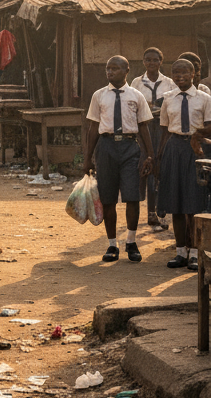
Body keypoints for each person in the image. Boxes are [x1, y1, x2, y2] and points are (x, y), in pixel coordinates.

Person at [83, 56, 155, 262]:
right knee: (108, 198)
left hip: (130, 147)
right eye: (108, 68)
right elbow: (93, 127)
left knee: (132, 196)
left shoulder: (136, 95)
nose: (110, 72)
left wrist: (149, 155)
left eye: (115, 68)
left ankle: (131, 242)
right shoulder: (98, 96)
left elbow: (143, 126)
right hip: (106, 147)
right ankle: (112, 244)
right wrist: (88, 157)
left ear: (127, 71)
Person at [157, 58, 211, 272]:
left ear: (193, 75)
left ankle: (197, 254)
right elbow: (164, 129)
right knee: (176, 203)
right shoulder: (168, 99)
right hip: (174, 149)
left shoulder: (205, 99)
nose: (179, 76)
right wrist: (159, 158)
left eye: (184, 73)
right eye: (175, 73)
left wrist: (196, 136)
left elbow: (209, 127)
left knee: (195, 203)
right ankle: (181, 252)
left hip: (196, 150)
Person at [130, 47, 173, 230]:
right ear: (143, 62)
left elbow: (172, 104)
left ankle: (160, 209)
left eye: (155, 60)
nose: (151, 63)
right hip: (144, 128)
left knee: (161, 165)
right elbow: (132, 104)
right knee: (146, 165)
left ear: (161, 61)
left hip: (163, 128)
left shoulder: (169, 83)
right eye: (148, 60)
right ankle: (149, 212)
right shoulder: (137, 82)